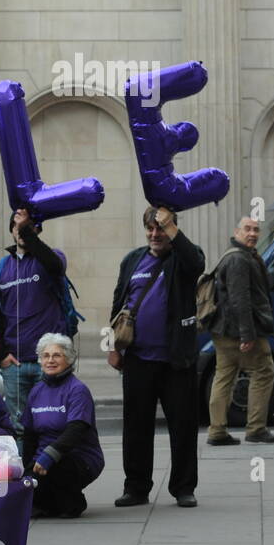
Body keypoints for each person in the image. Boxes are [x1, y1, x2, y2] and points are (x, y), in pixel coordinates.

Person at [108, 207, 205, 508]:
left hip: (177, 359)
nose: (154, 234)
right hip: (138, 358)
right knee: (136, 426)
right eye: (150, 228)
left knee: (183, 425)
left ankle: (183, 487)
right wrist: (113, 347)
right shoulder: (132, 260)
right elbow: (119, 301)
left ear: (172, 229)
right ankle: (136, 488)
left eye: (160, 228)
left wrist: (172, 227)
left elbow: (197, 263)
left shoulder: (184, 258)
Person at [0, 208, 70, 418]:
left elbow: (55, 266)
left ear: (37, 230)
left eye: (28, 227)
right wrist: (1, 354)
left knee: (51, 421)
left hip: (48, 362)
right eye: (18, 227)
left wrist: (28, 233)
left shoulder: (51, 258)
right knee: (19, 426)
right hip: (15, 364)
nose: (22, 231)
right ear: (11, 230)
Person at [207, 216, 274, 445]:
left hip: (223, 332)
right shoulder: (239, 259)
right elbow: (240, 299)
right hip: (240, 330)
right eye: (248, 229)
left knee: (223, 377)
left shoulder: (237, 255)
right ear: (237, 231)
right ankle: (256, 428)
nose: (252, 234)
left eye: (256, 230)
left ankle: (217, 431)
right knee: (264, 372)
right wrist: (247, 335)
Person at [22, 333, 103, 519]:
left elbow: (76, 430)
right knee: (26, 490)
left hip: (77, 458)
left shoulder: (77, 390)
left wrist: (49, 456)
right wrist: (26, 468)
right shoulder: (36, 391)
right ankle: (50, 502)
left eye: (57, 355)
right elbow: (29, 434)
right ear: (40, 360)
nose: (50, 360)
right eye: (46, 356)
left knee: (56, 473)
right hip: (41, 459)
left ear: (69, 359)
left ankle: (74, 503)